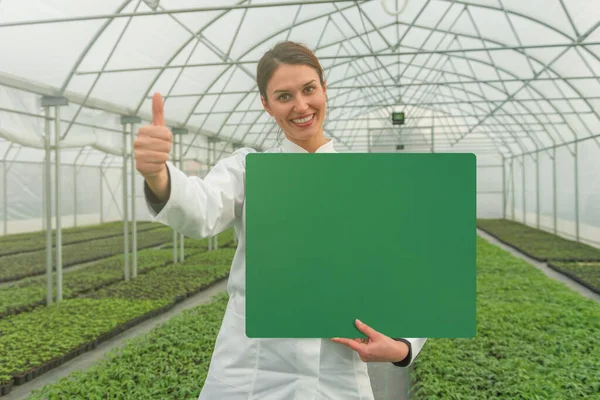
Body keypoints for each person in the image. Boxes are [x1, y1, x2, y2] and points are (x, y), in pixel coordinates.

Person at [134, 41, 427, 399]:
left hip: (337, 377)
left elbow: (412, 272)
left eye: (309, 90)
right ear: (266, 105)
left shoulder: (367, 180)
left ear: (324, 88)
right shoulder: (248, 170)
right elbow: (200, 211)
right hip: (251, 372)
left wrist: (403, 345)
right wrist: (157, 175)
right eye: (284, 96)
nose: (301, 106)